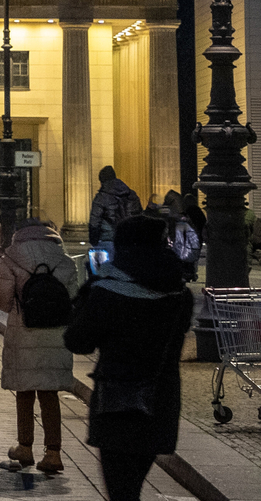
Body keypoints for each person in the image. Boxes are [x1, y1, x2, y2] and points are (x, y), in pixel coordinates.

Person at [63, 214, 193, 501]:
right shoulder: (180, 293)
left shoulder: (108, 291)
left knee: (122, 491)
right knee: (132, 485)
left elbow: (77, 341)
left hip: (116, 402)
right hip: (159, 400)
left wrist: (88, 296)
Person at [0, 219, 78, 474]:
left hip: (24, 332)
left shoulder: (11, 259)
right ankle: (53, 453)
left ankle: (25, 447)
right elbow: (73, 299)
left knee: (24, 391)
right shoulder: (66, 261)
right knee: (49, 393)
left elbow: (3, 301)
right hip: (55, 334)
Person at [87, 165, 140, 252]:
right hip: (129, 240)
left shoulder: (101, 197)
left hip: (107, 239)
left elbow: (94, 222)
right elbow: (138, 217)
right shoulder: (132, 195)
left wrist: (94, 241)